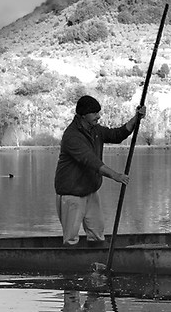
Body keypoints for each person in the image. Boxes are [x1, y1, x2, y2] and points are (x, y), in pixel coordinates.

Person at [54, 93, 143, 245]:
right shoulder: (72, 136)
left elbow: (117, 135)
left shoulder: (95, 130)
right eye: (94, 113)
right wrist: (115, 175)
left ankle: (95, 261)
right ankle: (70, 263)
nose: (98, 116)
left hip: (90, 190)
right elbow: (91, 161)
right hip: (71, 194)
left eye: (98, 112)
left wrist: (136, 119)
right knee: (71, 239)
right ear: (83, 115)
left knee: (97, 233)